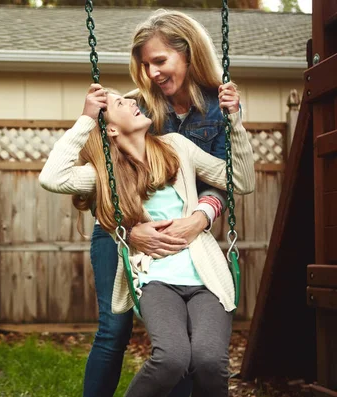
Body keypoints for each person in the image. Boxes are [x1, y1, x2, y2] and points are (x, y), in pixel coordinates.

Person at [39, 83, 254, 396]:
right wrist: (86, 119)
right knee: (165, 354)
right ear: (110, 129)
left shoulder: (176, 147)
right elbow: (52, 178)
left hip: (203, 274)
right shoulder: (107, 173)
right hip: (157, 279)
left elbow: (241, 180)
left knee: (207, 359)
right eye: (119, 104)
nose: (131, 103)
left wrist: (234, 119)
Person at [80, 9, 235, 397]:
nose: (152, 73)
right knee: (113, 330)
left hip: (181, 237)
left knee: (182, 348)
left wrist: (199, 218)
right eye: (145, 64)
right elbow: (98, 179)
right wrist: (130, 232)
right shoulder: (137, 107)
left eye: (160, 61)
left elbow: (223, 180)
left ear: (188, 53)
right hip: (118, 230)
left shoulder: (219, 109)